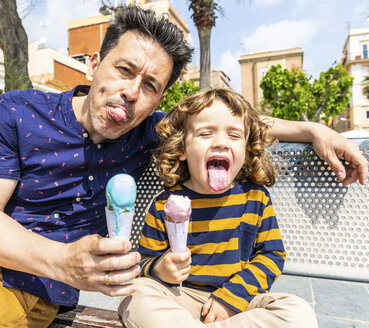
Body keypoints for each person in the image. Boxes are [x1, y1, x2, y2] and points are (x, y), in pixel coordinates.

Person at [0, 6, 365, 328]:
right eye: (124, 70)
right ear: (94, 63)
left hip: (22, 283)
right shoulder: (17, 111)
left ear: (159, 100)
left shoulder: (149, 133)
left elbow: (222, 125)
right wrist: (65, 260)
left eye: (149, 85)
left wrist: (310, 129)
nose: (131, 92)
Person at [118, 88, 317, 328]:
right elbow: (143, 264)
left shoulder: (255, 198)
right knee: (135, 295)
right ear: (181, 149)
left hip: (240, 303)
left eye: (234, 135)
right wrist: (160, 269)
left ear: (245, 149)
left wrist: (232, 297)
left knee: (297, 313)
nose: (221, 142)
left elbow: (272, 255)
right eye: (205, 134)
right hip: (182, 299)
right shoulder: (164, 204)